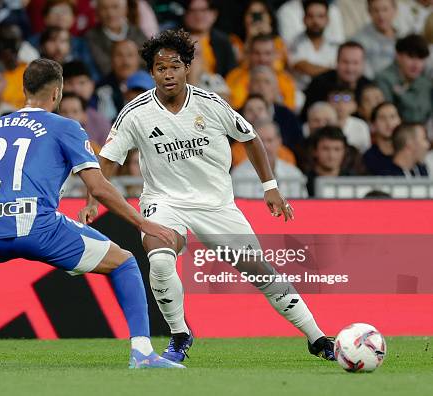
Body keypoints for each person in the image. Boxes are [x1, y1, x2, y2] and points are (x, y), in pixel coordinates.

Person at [82, 29, 335, 363]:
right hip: (164, 201)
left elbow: (251, 137)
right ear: (153, 72)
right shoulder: (136, 112)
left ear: (187, 67)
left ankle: (317, 337)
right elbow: (109, 159)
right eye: (160, 68)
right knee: (158, 259)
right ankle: (179, 334)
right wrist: (92, 200)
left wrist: (270, 187)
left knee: (261, 272)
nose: (168, 73)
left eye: (174, 66)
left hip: (215, 204)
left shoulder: (211, 104)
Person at [0, 58, 183, 369]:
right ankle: (142, 352)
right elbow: (99, 187)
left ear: (24, 89)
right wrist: (143, 222)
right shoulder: (65, 127)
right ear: (57, 94)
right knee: (125, 262)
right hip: (39, 228)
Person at [231, 119, 307, 198]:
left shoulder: (293, 174)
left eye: (270, 140)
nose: (265, 146)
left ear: (279, 141)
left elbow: (303, 206)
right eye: (261, 141)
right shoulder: (239, 174)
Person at [302, 41, 372, 120]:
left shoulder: (369, 87)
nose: (350, 68)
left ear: (363, 64)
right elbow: (306, 117)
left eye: (355, 63)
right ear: (337, 62)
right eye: (345, 62)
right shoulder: (319, 84)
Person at [225, 33, 297, 111]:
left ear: (275, 55)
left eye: (267, 53)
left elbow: (289, 111)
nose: (262, 59)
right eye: (257, 53)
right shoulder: (234, 76)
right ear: (249, 54)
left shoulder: (286, 80)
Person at [375, 34, 432, 124]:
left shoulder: (426, 83)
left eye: (421, 58)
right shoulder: (384, 79)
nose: (416, 64)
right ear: (398, 56)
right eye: (411, 57)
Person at [84, 0, 147, 77]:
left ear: (126, 9)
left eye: (115, 7)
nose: (110, 13)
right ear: (97, 12)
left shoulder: (136, 31)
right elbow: (103, 67)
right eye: (104, 8)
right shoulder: (92, 37)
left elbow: (148, 60)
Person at [288, 0, 338, 90]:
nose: (315, 21)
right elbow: (303, 67)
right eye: (311, 16)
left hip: (329, 92)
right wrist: (334, 71)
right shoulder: (294, 42)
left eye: (320, 16)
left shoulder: (335, 44)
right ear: (304, 19)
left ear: (327, 20)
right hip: (301, 93)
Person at [62, 61, 111, 146]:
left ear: (92, 85)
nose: (76, 89)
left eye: (81, 82)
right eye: (70, 83)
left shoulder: (100, 122)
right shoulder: (48, 117)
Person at [182, 0, 237, 77]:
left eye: (203, 10)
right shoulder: (176, 41)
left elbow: (231, 73)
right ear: (185, 15)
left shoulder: (223, 41)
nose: (198, 15)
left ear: (214, 14)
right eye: (192, 10)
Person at [353, 0, 403, 78]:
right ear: (369, 12)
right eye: (376, 10)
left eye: (385, 9)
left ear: (395, 10)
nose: (381, 15)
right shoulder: (358, 41)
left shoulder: (404, 37)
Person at [305, 126, 351, 196]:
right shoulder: (304, 182)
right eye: (325, 149)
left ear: (344, 151)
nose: (331, 155)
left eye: (337, 149)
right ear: (314, 151)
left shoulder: (352, 180)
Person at [327, 86, 371, 153]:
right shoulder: (322, 122)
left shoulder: (361, 125)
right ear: (327, 103)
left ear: (354, 105)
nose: (340, 104)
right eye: (336, 99)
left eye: (346, 100)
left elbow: (366, 150)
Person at [363, 101, 401, 175]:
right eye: (382, 118)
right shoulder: (367, 159)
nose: (388, 123)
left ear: (400, 121)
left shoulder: (408, 154)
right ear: (373, 125)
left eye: (392, 117)